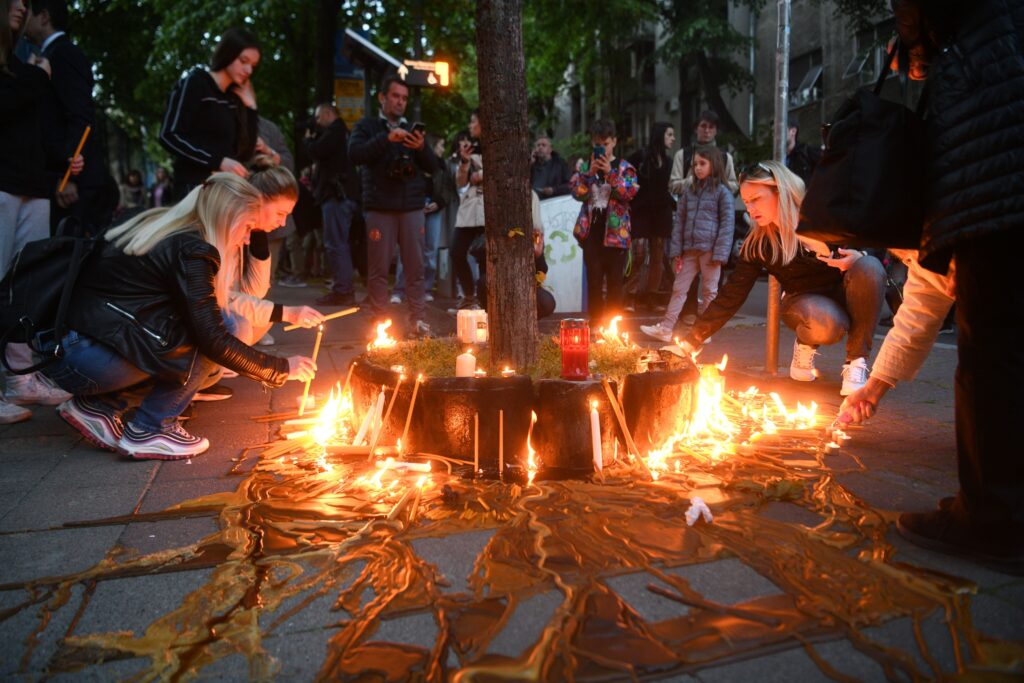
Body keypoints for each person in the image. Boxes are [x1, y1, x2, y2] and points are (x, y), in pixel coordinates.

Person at [882, 0, 1024, 574]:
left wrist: (913, 44)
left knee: (992, 348)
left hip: (992, 151)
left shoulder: (974, 47)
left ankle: (991, 517)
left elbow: (924, 293)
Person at [41, 173, 316, 460]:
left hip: (70, 349)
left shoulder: (168, 228)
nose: (248, 237)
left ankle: (100, 406)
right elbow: (213, 338)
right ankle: (150, 428)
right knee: (222, 329)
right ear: (227, 218)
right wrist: (281, 369)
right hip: (84, 357)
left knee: (217, 327)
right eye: (247, 227)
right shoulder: (193, 250)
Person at [676, 161, 885, 396]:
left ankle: (856, 363)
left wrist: (860, 254)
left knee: (869, 266)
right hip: (803, 303)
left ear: (780, 191)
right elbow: (731, 295)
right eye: (746, 202)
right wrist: (692, 338)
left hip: (848, 292)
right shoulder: (759, 244)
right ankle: (805, 344)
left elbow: (872, 236)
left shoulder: (825, 216)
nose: (750, 209)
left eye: (756, 198)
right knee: (828, 322)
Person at [1, 0, 79, 423]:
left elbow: (29, 127)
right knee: (1, 276)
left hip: (33, 182)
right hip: (4, 184)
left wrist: (60, 159)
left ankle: (20, 375)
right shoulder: (26, 67)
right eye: (13, 1)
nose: (20, 7)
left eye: (25, 2)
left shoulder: (23, 60)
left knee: (24, 282)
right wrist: (36, 78)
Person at [348, 73, 438, 336]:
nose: (400, 102)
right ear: (382, 97)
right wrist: (386, 139)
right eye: (396, 96)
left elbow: (433, 167)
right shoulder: (367, 126)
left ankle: (418, 320)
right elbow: (354, 154)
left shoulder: (413, 129)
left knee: (416, 267)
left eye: (404, 98)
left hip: (411, 208)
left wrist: (421, 147)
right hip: (380, 208)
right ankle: (380, 324)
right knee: (378, 269)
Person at [23, 0, 111, 235]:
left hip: (73, 186)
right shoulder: (52, 54)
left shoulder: (63, 54)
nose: (23, 15)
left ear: (44, 16)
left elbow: (80, 115)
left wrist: (68, 176)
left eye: (28, 11)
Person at [641, 145, 734, 343]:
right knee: (679, 288)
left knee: (710, 291)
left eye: (702, 163)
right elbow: (680, 223)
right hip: (691, 250)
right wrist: (677, 251)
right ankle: (666, 327)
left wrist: (720, 253)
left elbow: (727, 224)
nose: (697, 168)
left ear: (714, 165)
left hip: (710, 251)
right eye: (695, 164)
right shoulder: (689, 192)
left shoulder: (722, 193)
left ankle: (704, 330)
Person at [159, 28, 260, 199]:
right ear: (228, 53)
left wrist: (251, 108)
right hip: (194, 192)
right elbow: (169, 135)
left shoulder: (234, 98)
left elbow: (246, 152)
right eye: (244, 61)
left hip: (224, 194)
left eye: (253, 65)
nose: (248, 70)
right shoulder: (195, 83)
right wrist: (218, 161)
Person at [570, 119, 639, 321]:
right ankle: (596, 326)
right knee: (594, 283)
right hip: (591, 235)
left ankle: (612, 330)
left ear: (614, 142)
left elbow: (628, 192)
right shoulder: (585, 167)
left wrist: (610, 172)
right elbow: (576, 192)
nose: (602, 148)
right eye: (598, 144)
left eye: (606, 143)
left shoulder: (625, 167)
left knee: (616, 284)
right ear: (593, 144)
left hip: (617, 236)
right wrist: (589, 173)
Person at [304, 103, 358, 307]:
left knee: (335, 243)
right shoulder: (343, 134)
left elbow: (316, 151)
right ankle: (343, 288)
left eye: (318, 118)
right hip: (341, 195)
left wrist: (309, 139)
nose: (317, 122)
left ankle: (343, 290)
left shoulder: (335, 132)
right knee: (338, 242)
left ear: (328, 114)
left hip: (337, 196)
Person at [474, 191, 556, 320]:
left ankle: (524, 325)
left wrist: (538, 256)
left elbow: (541, 273)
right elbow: (480, 259)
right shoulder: (497, 229)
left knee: (548, 302)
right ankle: (495, 323)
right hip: (498, 282)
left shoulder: (535, 233)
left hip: (524, 286)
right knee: (485, 283)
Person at [394, 135, 453, 303]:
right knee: (407, 248)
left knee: (430, 250)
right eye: (441, 145)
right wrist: (416, 203)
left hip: (434, 209)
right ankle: (399, 289)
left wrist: (438, 203)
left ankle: (425, 288)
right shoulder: (414, 161)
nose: (443, 149)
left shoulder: (441, 165)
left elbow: (447, 189)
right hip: (414, 208)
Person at [625, 122, 676, 312]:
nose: (673, 138)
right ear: (660, 135)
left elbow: (667, 188)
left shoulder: (670, 161)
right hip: (641, 211)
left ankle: (651, 297)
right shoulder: (640, 156)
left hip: (661, 213)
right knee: (638, 253)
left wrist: (674, 204)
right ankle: (630, 295)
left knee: (658, 255)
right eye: (670, 134)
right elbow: (624, 172)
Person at [451, 110, 486, 310]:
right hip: (468, 209)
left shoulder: (496, 145)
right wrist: (464, 163)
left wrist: (481, 173)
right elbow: (460, 182)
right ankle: (469, 295)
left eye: (473, 121)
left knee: (483, 255)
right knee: (456, 251)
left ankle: (484, 301)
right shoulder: (469, 149)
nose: (470, 125)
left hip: (487, 210)